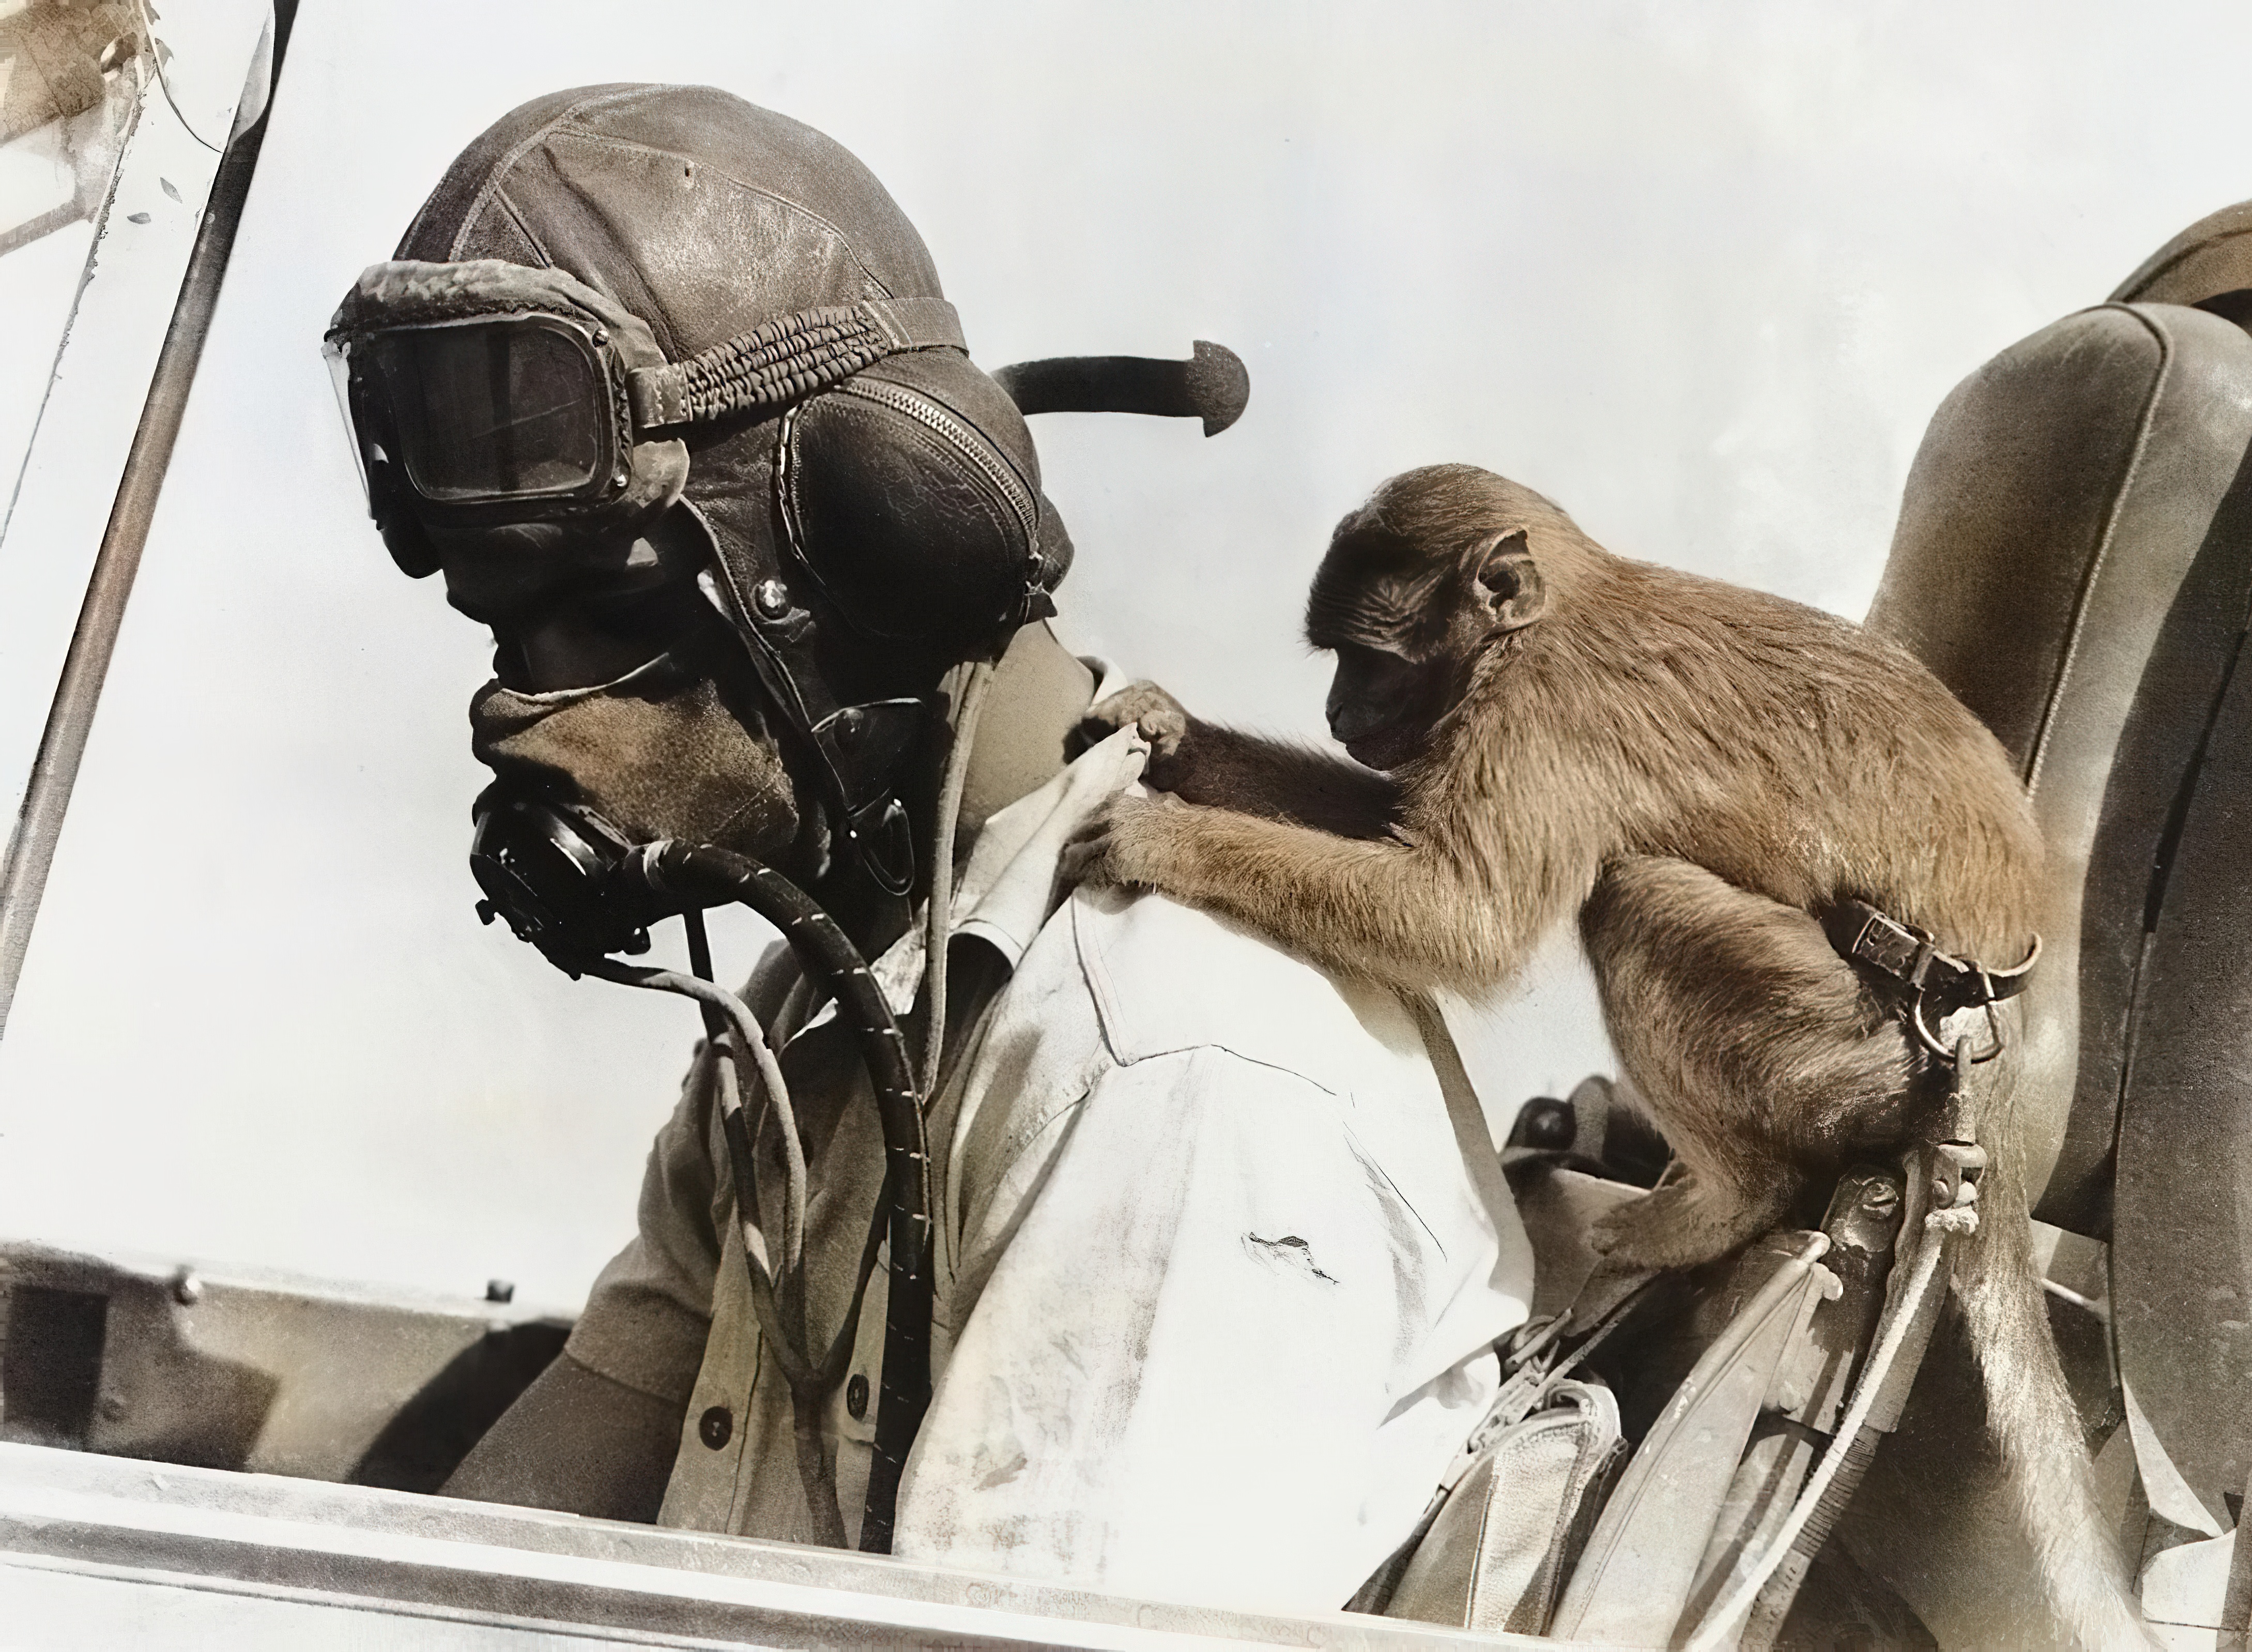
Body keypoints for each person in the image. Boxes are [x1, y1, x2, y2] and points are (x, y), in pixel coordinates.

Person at [329, 83, 1529, 1615]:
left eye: (616, 620)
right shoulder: (817, 1018)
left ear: (897, 554)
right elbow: (481, 1573)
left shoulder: (1171, 1069)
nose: (526, 711)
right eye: (508, 631)